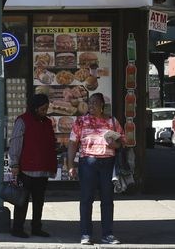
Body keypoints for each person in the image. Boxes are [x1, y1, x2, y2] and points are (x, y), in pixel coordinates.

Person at [67, 92, 124, 245]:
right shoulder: (80, 121)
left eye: (95, 103)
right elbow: (72, 144)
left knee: (107, 200)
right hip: (87, 164)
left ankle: (108, 235)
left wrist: (115, 145)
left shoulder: (112, 121)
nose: (91, 106)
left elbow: (122, 141)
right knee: (86, 199)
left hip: (108, 164)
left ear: (102, 106)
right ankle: (85, 234)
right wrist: (71, 165)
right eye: (89, 103)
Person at [7, 93, 57, 238]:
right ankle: (17, 228)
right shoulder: (22, 121)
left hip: (42, 170)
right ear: (34, 108)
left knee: (39, 201)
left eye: (46, 108)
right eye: (42, 109)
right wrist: (14, 163)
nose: (44, 111)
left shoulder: (47, 122)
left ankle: (36, 227)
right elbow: (15, 143)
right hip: (26, 169)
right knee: (21, 201)